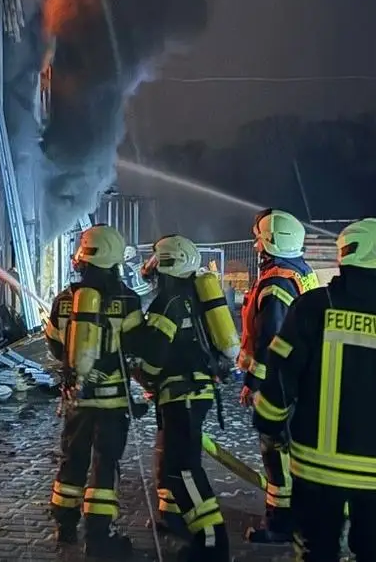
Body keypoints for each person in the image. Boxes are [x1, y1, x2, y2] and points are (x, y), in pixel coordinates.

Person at [252, 217, 376, 562]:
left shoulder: (313, 308)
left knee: (316, 552)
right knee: (375, 553)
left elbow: (280, 374)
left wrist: (271, 427)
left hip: (316, 467)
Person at [137, 234, 238, 561]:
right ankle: (189, 529)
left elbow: (153, 358)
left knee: (185, 469)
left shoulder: (168, 301)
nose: (150, 267)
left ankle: (212, 543)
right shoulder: (190, 294)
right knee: (174, 467)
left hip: (183, 395)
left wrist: (134, 363)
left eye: (156, 260)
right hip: (193, 391)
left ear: (167, 263)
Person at [47, 224, 145, 557]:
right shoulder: (128, 301)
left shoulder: (64, 300)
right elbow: (136, 351)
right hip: (114, 402)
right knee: (105, 464)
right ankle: (99, 536)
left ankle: (65, 526)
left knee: (72, 460)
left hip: (77, 400)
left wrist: (78, 372)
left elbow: (56, 347)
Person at [237, 208, 319, 544]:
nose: (256, 247)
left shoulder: (274, 284)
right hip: (301, 381)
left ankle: (280, 524)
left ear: (271, 242)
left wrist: (254, 384)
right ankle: (300, 516)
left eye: (259, 240)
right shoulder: (301, 273)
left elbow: (270, 342)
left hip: (281, 387)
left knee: (277, 455)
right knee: (294, 454)